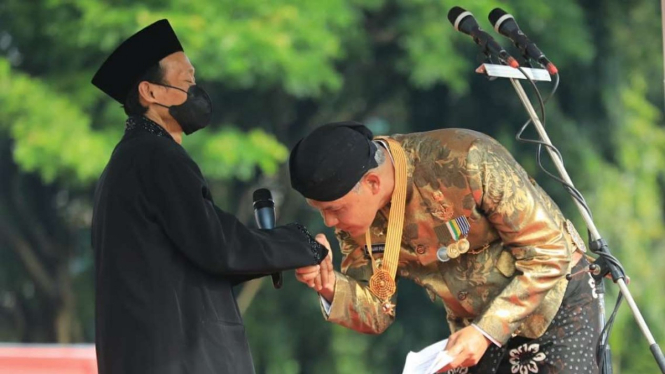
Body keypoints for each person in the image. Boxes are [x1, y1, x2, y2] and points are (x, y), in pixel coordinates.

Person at [90, 20, 327, 374]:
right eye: (186, 81)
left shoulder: (125, 162)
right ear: (150, 92)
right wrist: (301, 243)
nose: (196, 90)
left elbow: (193, 260)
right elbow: (217, 246)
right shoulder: (155, 155)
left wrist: (274, 252)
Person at [289, 122, 600, 374]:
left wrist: (486, 331)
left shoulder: (466, 159)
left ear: (372, 183)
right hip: (473, 330)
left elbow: (549, 253)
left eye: (335, 209)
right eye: (320, 211)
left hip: (555, 302)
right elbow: (378, 311)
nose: (329, 222)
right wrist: (330, 286)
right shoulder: (357, 224)